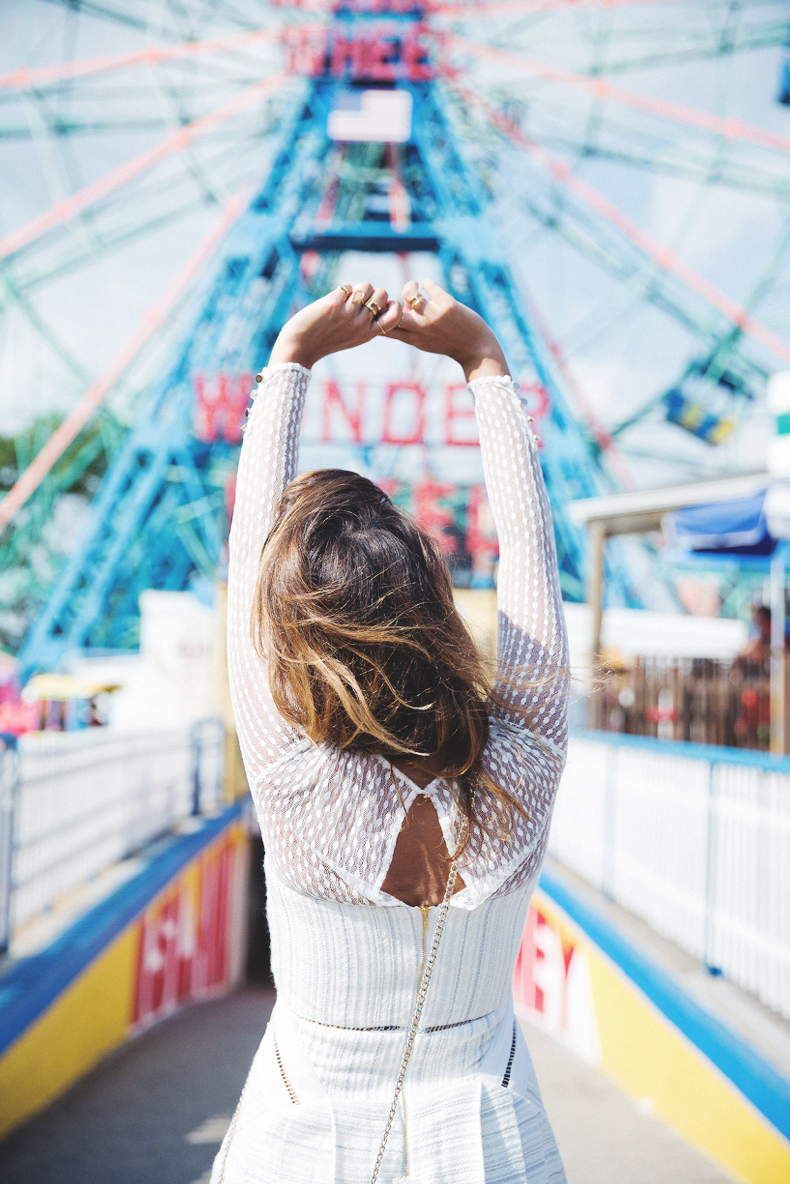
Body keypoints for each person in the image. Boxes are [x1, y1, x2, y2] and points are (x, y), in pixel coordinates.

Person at [214, 278, 569, 1184]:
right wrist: (482, 360)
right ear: (434, 606)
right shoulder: (520, 766)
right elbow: (531, 554)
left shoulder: (294, 783)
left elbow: (247, 559)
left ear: (295, 633)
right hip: (495, 1148)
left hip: (300, 1144)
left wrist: (290, 359)